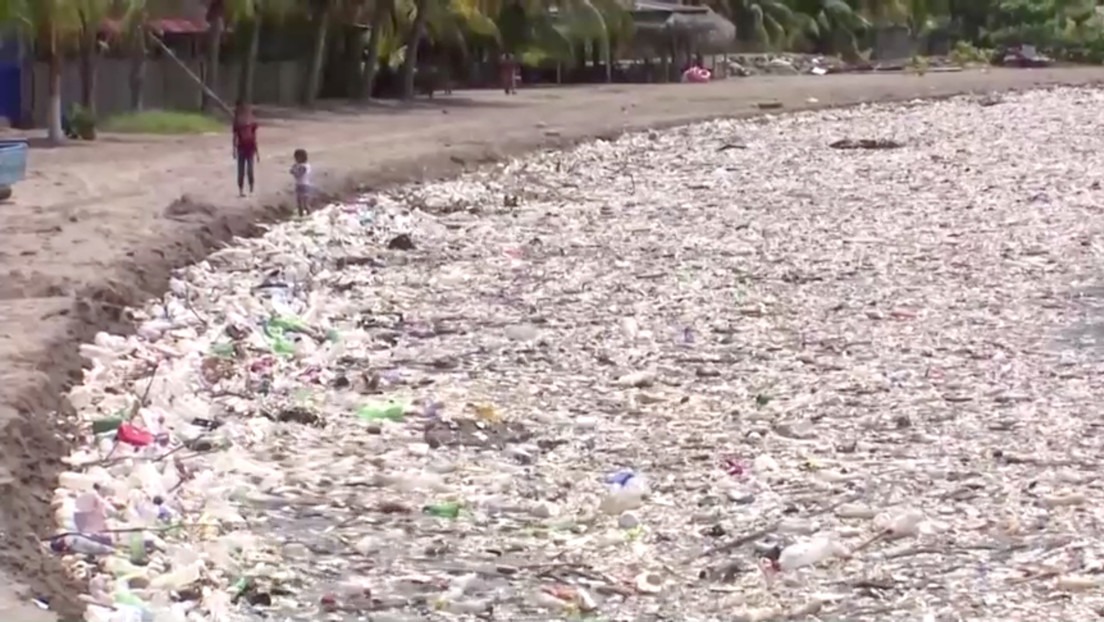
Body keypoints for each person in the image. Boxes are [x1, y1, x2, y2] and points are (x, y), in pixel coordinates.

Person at [232, 101, 259, 197]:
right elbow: (235, 136)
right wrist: (234, 149)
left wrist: (257, 150)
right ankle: (242, 190)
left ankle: (250, 188)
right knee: (242, 170)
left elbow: (254, 136)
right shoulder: (238, 122)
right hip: (243, 147)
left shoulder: (250, 122)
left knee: (248, 169)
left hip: (249, 147)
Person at [289, 148, 311, 217]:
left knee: (304, 203)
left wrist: (294, 171)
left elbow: (299, 174)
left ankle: (307, 214)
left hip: (303, 185)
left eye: (296, 157)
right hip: (300, 185)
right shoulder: (300, 165)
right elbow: (291, 171)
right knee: (300, 203)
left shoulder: (304, 166)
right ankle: (302, 215)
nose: (295, 159)